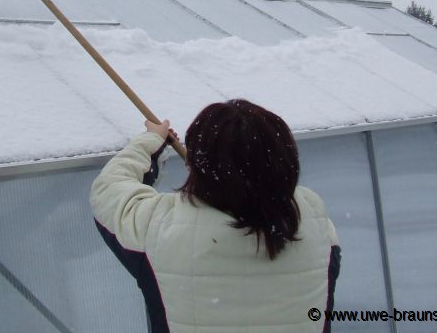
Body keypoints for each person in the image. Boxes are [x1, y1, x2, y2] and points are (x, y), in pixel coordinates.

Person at [90, 99, 340, 333]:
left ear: (198, 167)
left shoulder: (162, 231)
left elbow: (109, 190)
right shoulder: (317, 226)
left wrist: (151, 143)